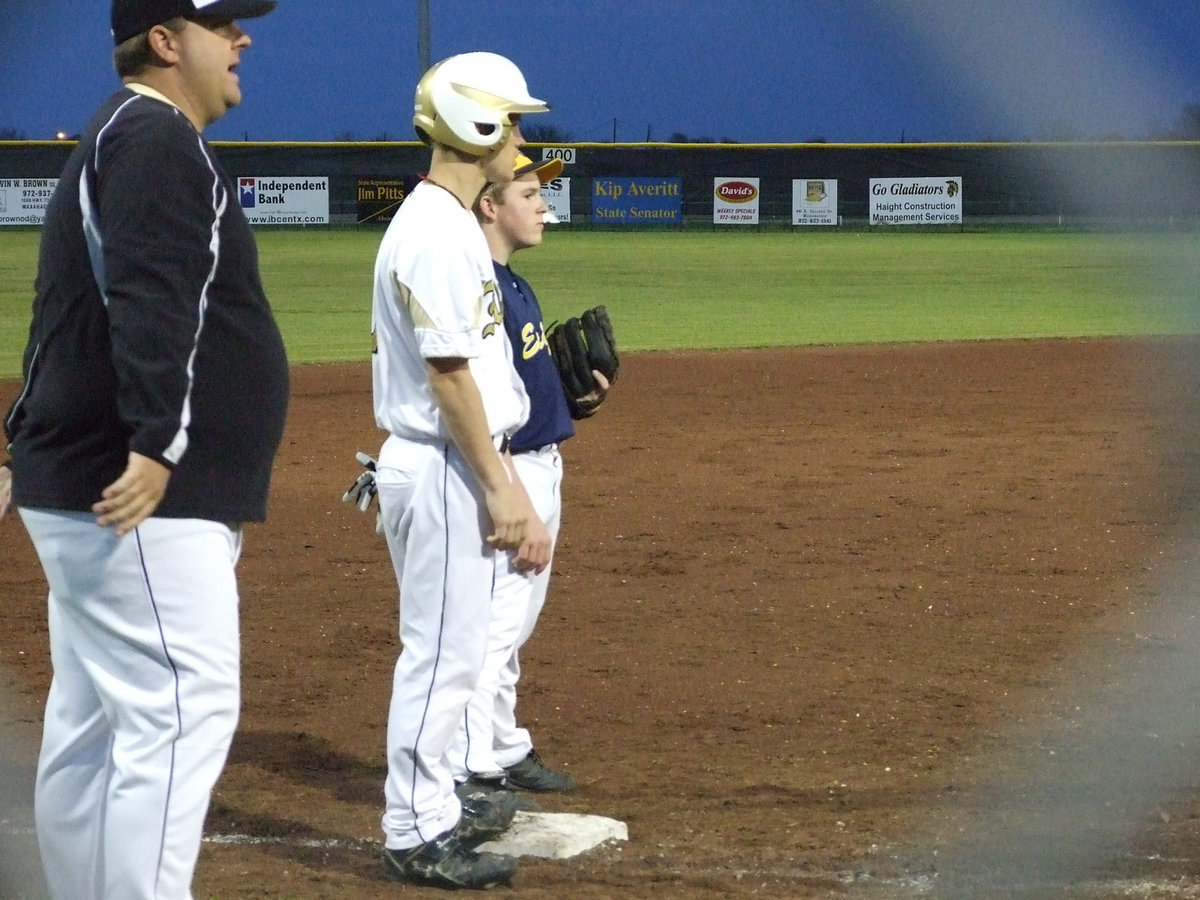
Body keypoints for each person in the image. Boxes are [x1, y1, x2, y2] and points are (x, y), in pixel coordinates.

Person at [1, 1, 288, 897]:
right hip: (138, 494)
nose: (243, 38)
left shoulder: (122, 134)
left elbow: (64, 317)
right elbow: (149, 295)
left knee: (93, 726)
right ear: (166, 42)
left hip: (94, 481)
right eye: (223, 24)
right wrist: (157, 441)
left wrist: (23, 439)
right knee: (176, 712)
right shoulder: (155, 138)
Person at [370, 52, 554, 890]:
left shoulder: (441, 220)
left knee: (455, 650)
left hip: (448, 461)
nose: (520, 136)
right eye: (511, 121)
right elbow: (449, 377)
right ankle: (415, 829)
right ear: (474, 123)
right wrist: (498, 485)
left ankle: (436, 797)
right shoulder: (438, 229)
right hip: (446, 464)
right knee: (441, 656)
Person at [449, 154, 609, 800]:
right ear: (489, 205)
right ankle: (468, 768)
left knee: (513, 628)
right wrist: (518, 500)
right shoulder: (481, 290)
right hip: (511, 475)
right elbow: (481, 411)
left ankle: (501, 743)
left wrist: (572, 403)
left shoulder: (513, 283)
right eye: (528, 193)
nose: (544, 206)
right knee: (491, 630)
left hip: (540, 462)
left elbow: (517, 391)